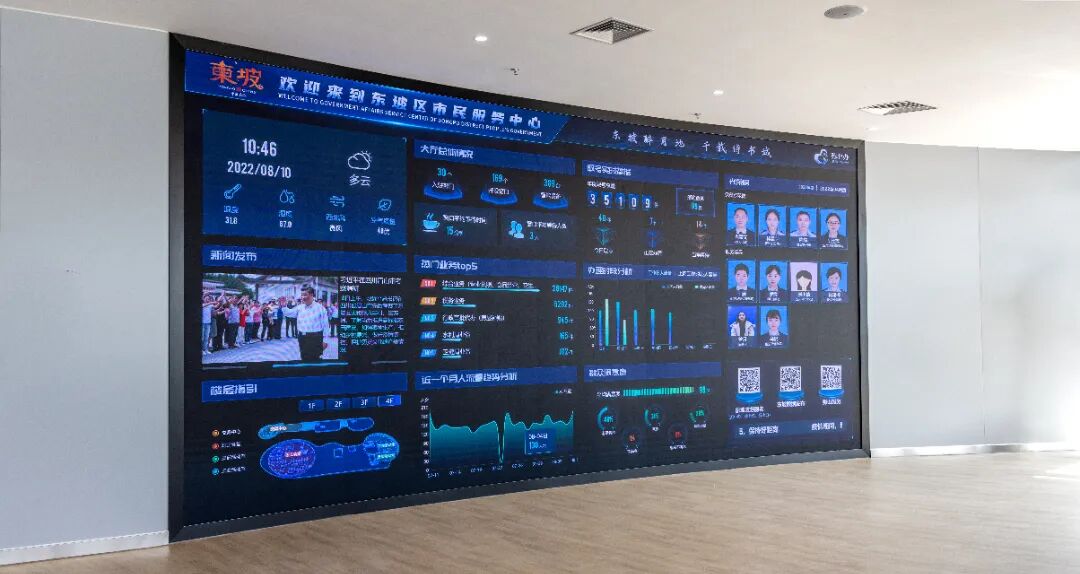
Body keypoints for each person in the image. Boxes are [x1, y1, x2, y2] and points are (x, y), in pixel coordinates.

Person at [280, 286, 330, 361]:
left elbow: (325, 325)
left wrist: (325, 341)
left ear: (312, 295)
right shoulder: (299, 307)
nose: (303, 297)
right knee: (304, 358)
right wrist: (284, 306)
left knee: (315, 360)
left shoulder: (320, 308)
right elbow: (289, 313)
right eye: (302, 295)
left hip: (315, 338)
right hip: (302, 338)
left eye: (305, 295)